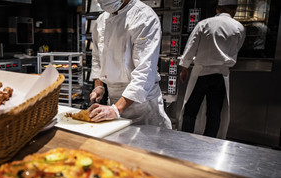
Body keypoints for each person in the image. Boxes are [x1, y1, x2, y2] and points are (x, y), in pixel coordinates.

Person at [87, 0, 172, 129]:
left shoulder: (144, 17)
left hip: (142, 104)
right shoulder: (101, 20)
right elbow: (97, 58)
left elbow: (145, 71)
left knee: (144, 146)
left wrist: (116, 109)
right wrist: (99, 86)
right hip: (113, 99)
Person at [178, 0, 245, 138]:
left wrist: (184, 68)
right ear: (234, 11)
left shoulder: (204, 24)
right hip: (221, 75)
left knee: (191, 110)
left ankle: (184, 139)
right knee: (214, 113)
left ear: (217, 10)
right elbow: (237, 48)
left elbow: (191, 47)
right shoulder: (239, 27)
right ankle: (210, 143)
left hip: (201, 72)